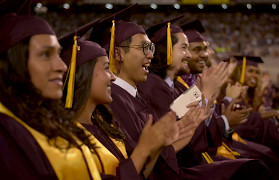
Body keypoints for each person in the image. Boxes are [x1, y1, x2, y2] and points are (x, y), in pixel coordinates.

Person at [137, 16, 274, 179]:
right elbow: (180, 128)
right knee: (253, 168)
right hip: (175, 170)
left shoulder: (177, 86)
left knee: (257, 163)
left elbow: (191, 122)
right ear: (166, 50)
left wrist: (206, 96)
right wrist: (207, 96)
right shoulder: (154, 86)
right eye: (184, 48)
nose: (188, 55)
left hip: (192, 160)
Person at [60, 13, 187, 179]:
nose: (150, 55)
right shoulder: (126, 97)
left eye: (151, 48)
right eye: (184, 48)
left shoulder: (102, 123)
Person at [0, 7, 101, 180]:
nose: (62, 66)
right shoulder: (5, 136)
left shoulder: (46, 118)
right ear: (14, 62)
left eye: (58, 54)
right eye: (46, 55)